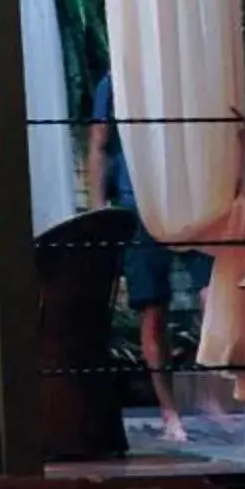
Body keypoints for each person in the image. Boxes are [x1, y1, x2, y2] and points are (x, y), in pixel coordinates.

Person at [84, 70, 207, 443]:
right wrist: (99, 213)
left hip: (191, 200)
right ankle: (170, 411)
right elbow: (99, 143)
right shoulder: (113, 82)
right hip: (136, 205)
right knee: (152, 312)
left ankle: (215, 393)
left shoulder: (178, 63)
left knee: (213, 295)